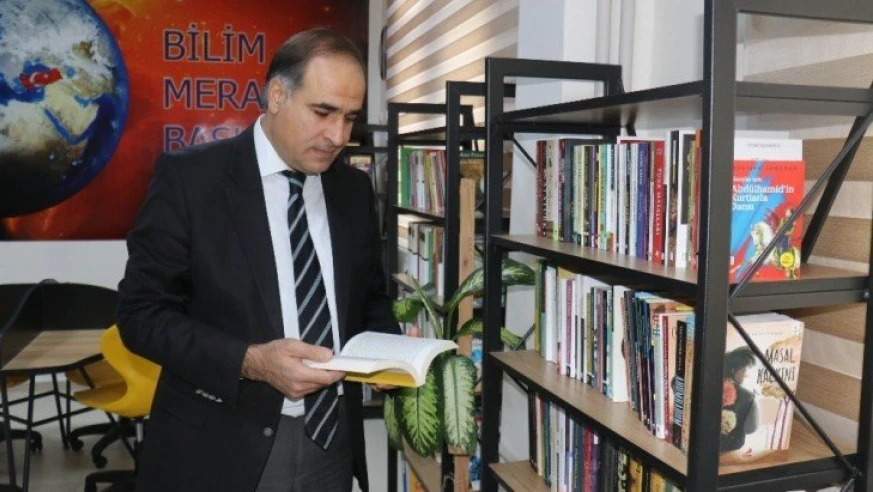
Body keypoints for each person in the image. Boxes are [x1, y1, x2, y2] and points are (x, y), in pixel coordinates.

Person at [117, 28, 399, 492]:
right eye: (323, 112)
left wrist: (389, 348)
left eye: (349, 118)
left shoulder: (353, 189)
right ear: (277, 95)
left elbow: (369, 298)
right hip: (220, 446)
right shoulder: (191, 180)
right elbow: (141, 316)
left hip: (332, 442)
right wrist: (251, 362)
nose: (338, 136)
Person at [720, 346, 759, 453]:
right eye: (743, 371)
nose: (746, 375)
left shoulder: (707, 386)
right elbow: (751, 428)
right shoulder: (748, 396)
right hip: (731, 450)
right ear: (733, 371)